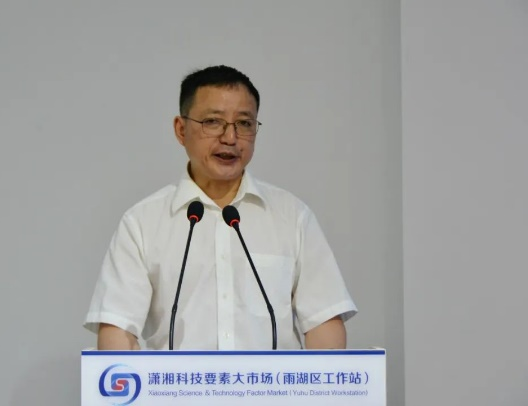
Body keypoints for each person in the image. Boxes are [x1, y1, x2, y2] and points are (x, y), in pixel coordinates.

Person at [84, 65, 357, 350]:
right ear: (181, 130)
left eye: (244, 124)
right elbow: (118, 329)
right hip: (176, 382)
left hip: (271, 382)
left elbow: (324, 322)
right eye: (213, 122)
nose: (230, 138)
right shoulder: (142, 222)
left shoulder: (292, 217)